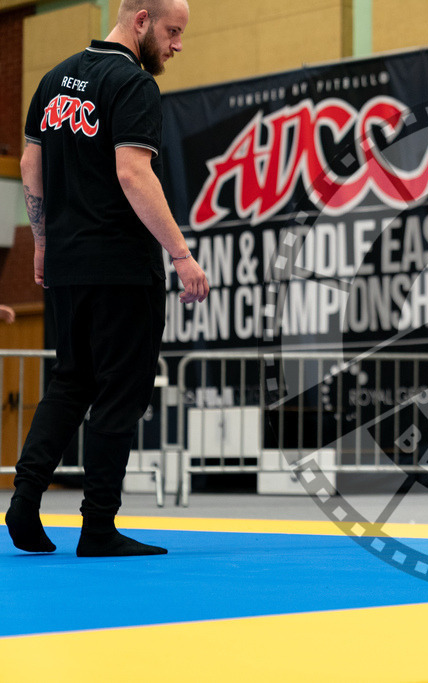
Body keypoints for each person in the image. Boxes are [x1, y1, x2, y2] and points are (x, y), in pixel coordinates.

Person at [6, 0, 208, 557]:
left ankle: (24, 502)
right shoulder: (133, 85)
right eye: (172, 31)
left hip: (68, 262)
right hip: (120, 264)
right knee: (122, 391)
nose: (177, 45)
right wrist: (181, 253)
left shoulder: (53, 79)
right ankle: (97, 525)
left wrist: (43, 243)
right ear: (141, 20)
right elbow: (132, 171)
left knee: (72, 381)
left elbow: (30, 164)